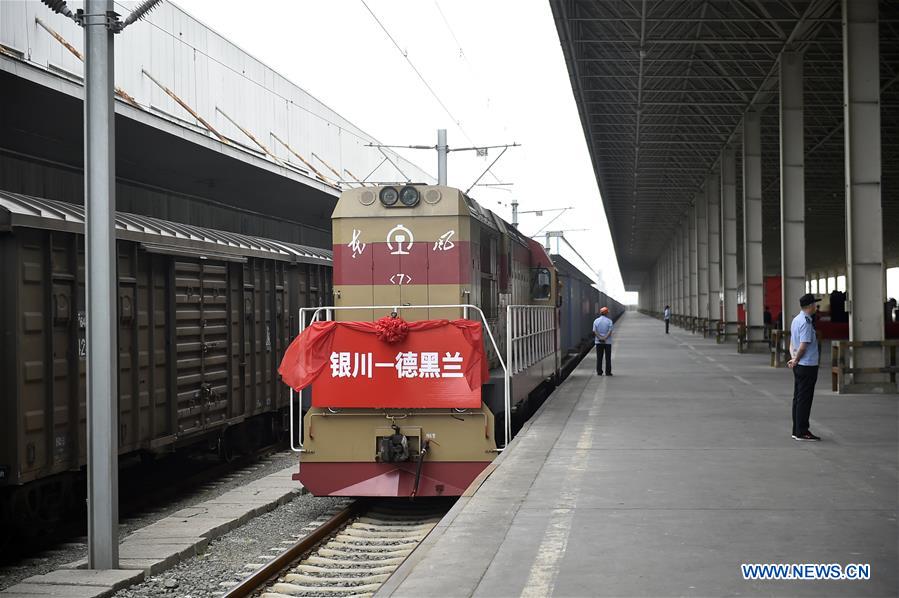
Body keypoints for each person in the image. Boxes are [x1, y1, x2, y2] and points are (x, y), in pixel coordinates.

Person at [788, 293, 821, 441]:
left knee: (798, 398)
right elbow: (803, 345)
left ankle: (796, 430)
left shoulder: (796, 319)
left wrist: (793, 359)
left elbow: (792, 343)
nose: (816, 306)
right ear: (810, 306)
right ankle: (803, 431)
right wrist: (797, 359)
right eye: (815, 304)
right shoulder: (806, 322)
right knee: (804, 399)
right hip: (807, 365)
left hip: (799, 365)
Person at [593, 306, 613, 375]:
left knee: (599, 357)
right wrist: (605, 338)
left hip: (598, 342)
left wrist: (600, 338)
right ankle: (608, 372)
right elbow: (610, 331)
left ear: (600, 313)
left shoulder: (596, 321)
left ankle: (599, 372)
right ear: (607, 313)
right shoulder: (609, 321)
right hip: (608, 342)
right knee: (608, 358)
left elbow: (595, 331)